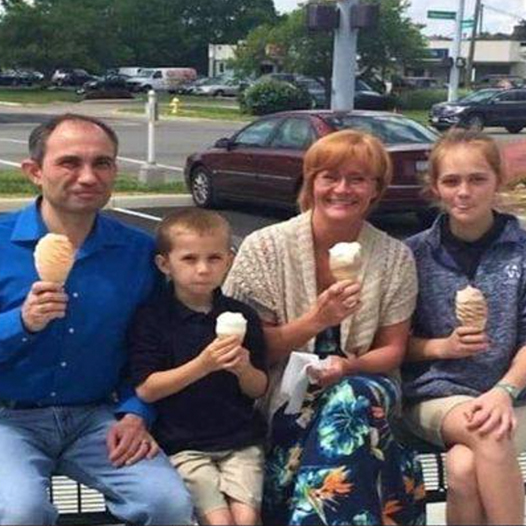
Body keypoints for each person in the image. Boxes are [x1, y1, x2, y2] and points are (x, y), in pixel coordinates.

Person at [224, 129, 426, 526]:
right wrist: (316, 321)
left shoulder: (394, 257)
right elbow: (252, 350)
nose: (342, 189)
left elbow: (392, 351)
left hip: (367, 385)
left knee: (350, 398)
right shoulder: (264, 248)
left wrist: (346, 367)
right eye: (329, 176)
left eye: (357, 179)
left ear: (375, 189)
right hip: (279, 390)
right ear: (311, 182)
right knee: (350, 428)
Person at [0, 113, 192, 525]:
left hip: (97, 418)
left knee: (168, 505)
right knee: (22, 513)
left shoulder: (139, 253)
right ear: (34, 172)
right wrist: (22, 322)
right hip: (8, 419)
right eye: (70, 162)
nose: (88, 176)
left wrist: (138, 411)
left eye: (101, 163)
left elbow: (155, 347)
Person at [402, 128, 526, 525]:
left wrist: (505, 391)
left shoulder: (522, 251)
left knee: (462, 468)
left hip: (516, 397)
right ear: (436, 186)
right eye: (451, 181)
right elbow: (393, 344)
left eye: (477, 179)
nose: (464, 191)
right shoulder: (415, 253)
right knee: (488, 434)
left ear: (497, 182)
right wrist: (442, 347)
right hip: (436, 395)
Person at [128, 209, 268, 526]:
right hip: (183, 444)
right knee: (219, 521)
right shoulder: (152, 318)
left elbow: (258, 387)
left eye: (214, 258)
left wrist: (244, 369)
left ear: (229, 260)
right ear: (165, 264)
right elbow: (147, 389)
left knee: (246, 519)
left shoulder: (241, 315)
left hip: (241, 440)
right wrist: (203, 365)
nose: (203, 269)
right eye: (189, 259)